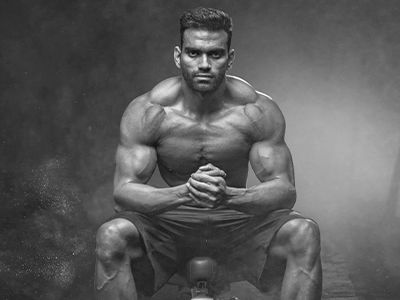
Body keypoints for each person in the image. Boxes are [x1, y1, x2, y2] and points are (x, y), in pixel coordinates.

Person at [95, 7, 322, 300]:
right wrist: (184, 193)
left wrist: (229, 196)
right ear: (178, 56)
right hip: (170, 226)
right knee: (111, 235)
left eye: (215, 54)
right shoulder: (149, 112)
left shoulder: (256, 111)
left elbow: (285, 191)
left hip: (237, 224)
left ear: (230, 58)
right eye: (193, 53)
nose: (204, 64)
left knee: (305, 233)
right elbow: (122, 194)